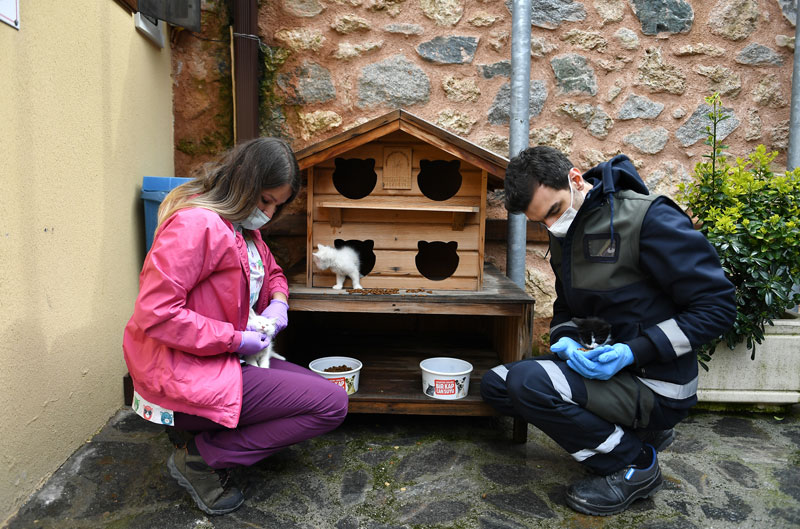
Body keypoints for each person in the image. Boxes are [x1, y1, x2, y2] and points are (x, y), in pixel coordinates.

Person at [481, 146, 736, 516]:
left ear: (575, 178)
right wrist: (564, 340)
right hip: (607, 372)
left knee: (527, 383)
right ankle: (634, 432)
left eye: (554, 211)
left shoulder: (649, 218)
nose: (552, 226)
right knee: (497, 385)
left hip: (657, 382)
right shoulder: (564, 232)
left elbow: (718, 307)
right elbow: (568, 307)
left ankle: (633, 463)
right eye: (541, 222)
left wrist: (633, 352)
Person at [123, 138, 349, 515]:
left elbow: (273, 272)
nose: (269, 212)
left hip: (225, 361)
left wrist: (278, 303)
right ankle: (201, 457)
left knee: (321, 393)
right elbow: (157, 313)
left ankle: (201, 436)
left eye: (277, 204)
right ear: (242, 183)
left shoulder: (244, 229)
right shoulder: (195, 225)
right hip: (187, 370)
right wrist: (235, 339)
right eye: (265, 200)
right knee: (330, 405)